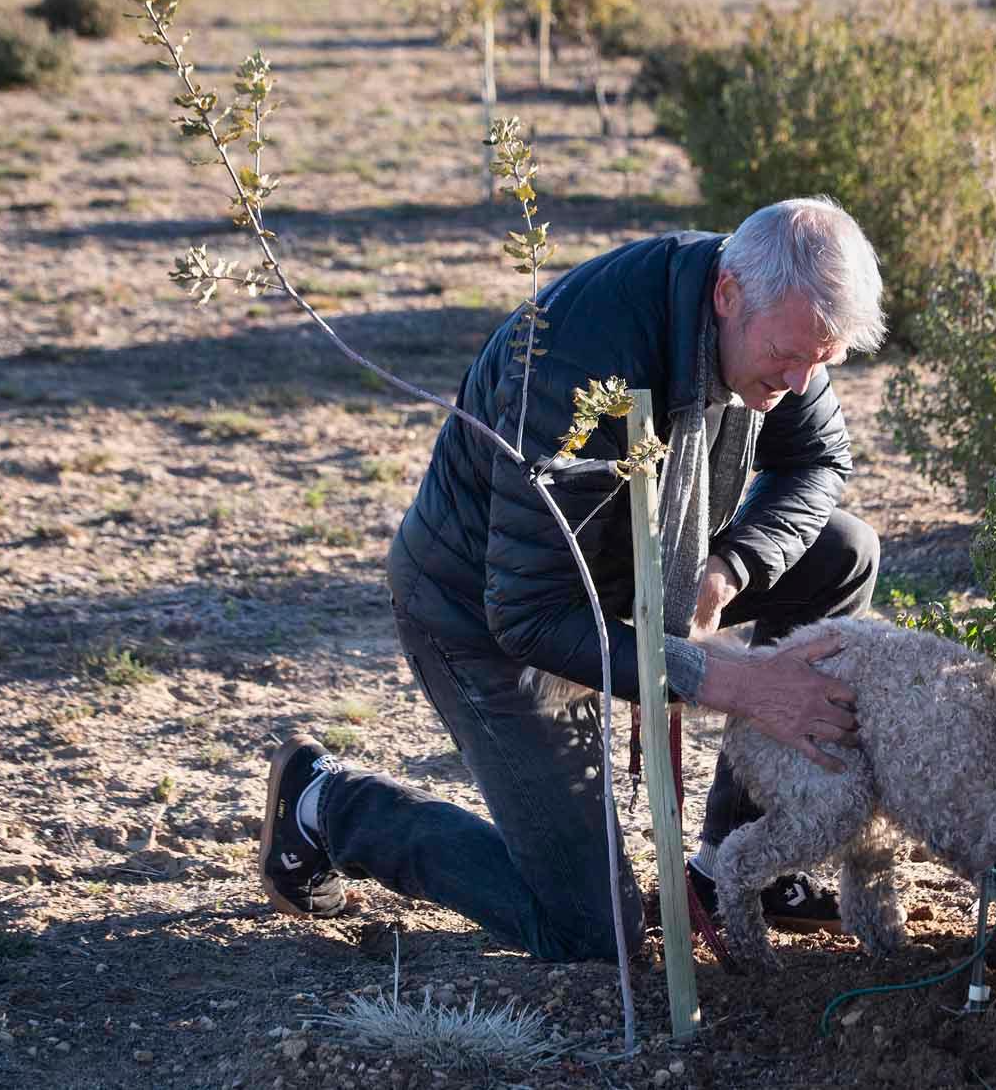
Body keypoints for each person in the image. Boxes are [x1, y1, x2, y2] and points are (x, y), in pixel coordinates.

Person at [258, 197, 887, 962]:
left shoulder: (780, 318)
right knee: (595, 932)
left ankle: (734, 860)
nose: (795, 382)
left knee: (842, 547)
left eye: (818, 363)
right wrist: (732, 680)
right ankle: (330, 804)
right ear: (727, 294)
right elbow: (526, 614)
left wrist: (728, 569)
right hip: (481, 611)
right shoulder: (580, 368)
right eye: (786, 356)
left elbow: (818, 461)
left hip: (639, 565)